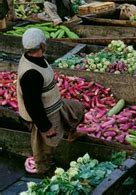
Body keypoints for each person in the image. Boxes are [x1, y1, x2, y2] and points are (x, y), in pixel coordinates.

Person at [17, 28, 85, 175]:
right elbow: (33, 106)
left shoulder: (35, 57)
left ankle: (71, 133)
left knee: (78, 109)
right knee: (46, 146)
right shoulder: (31, 74)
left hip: (54, 104)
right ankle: (45, 169)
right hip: (43, 114)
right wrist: (46, 127)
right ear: (42, 46)